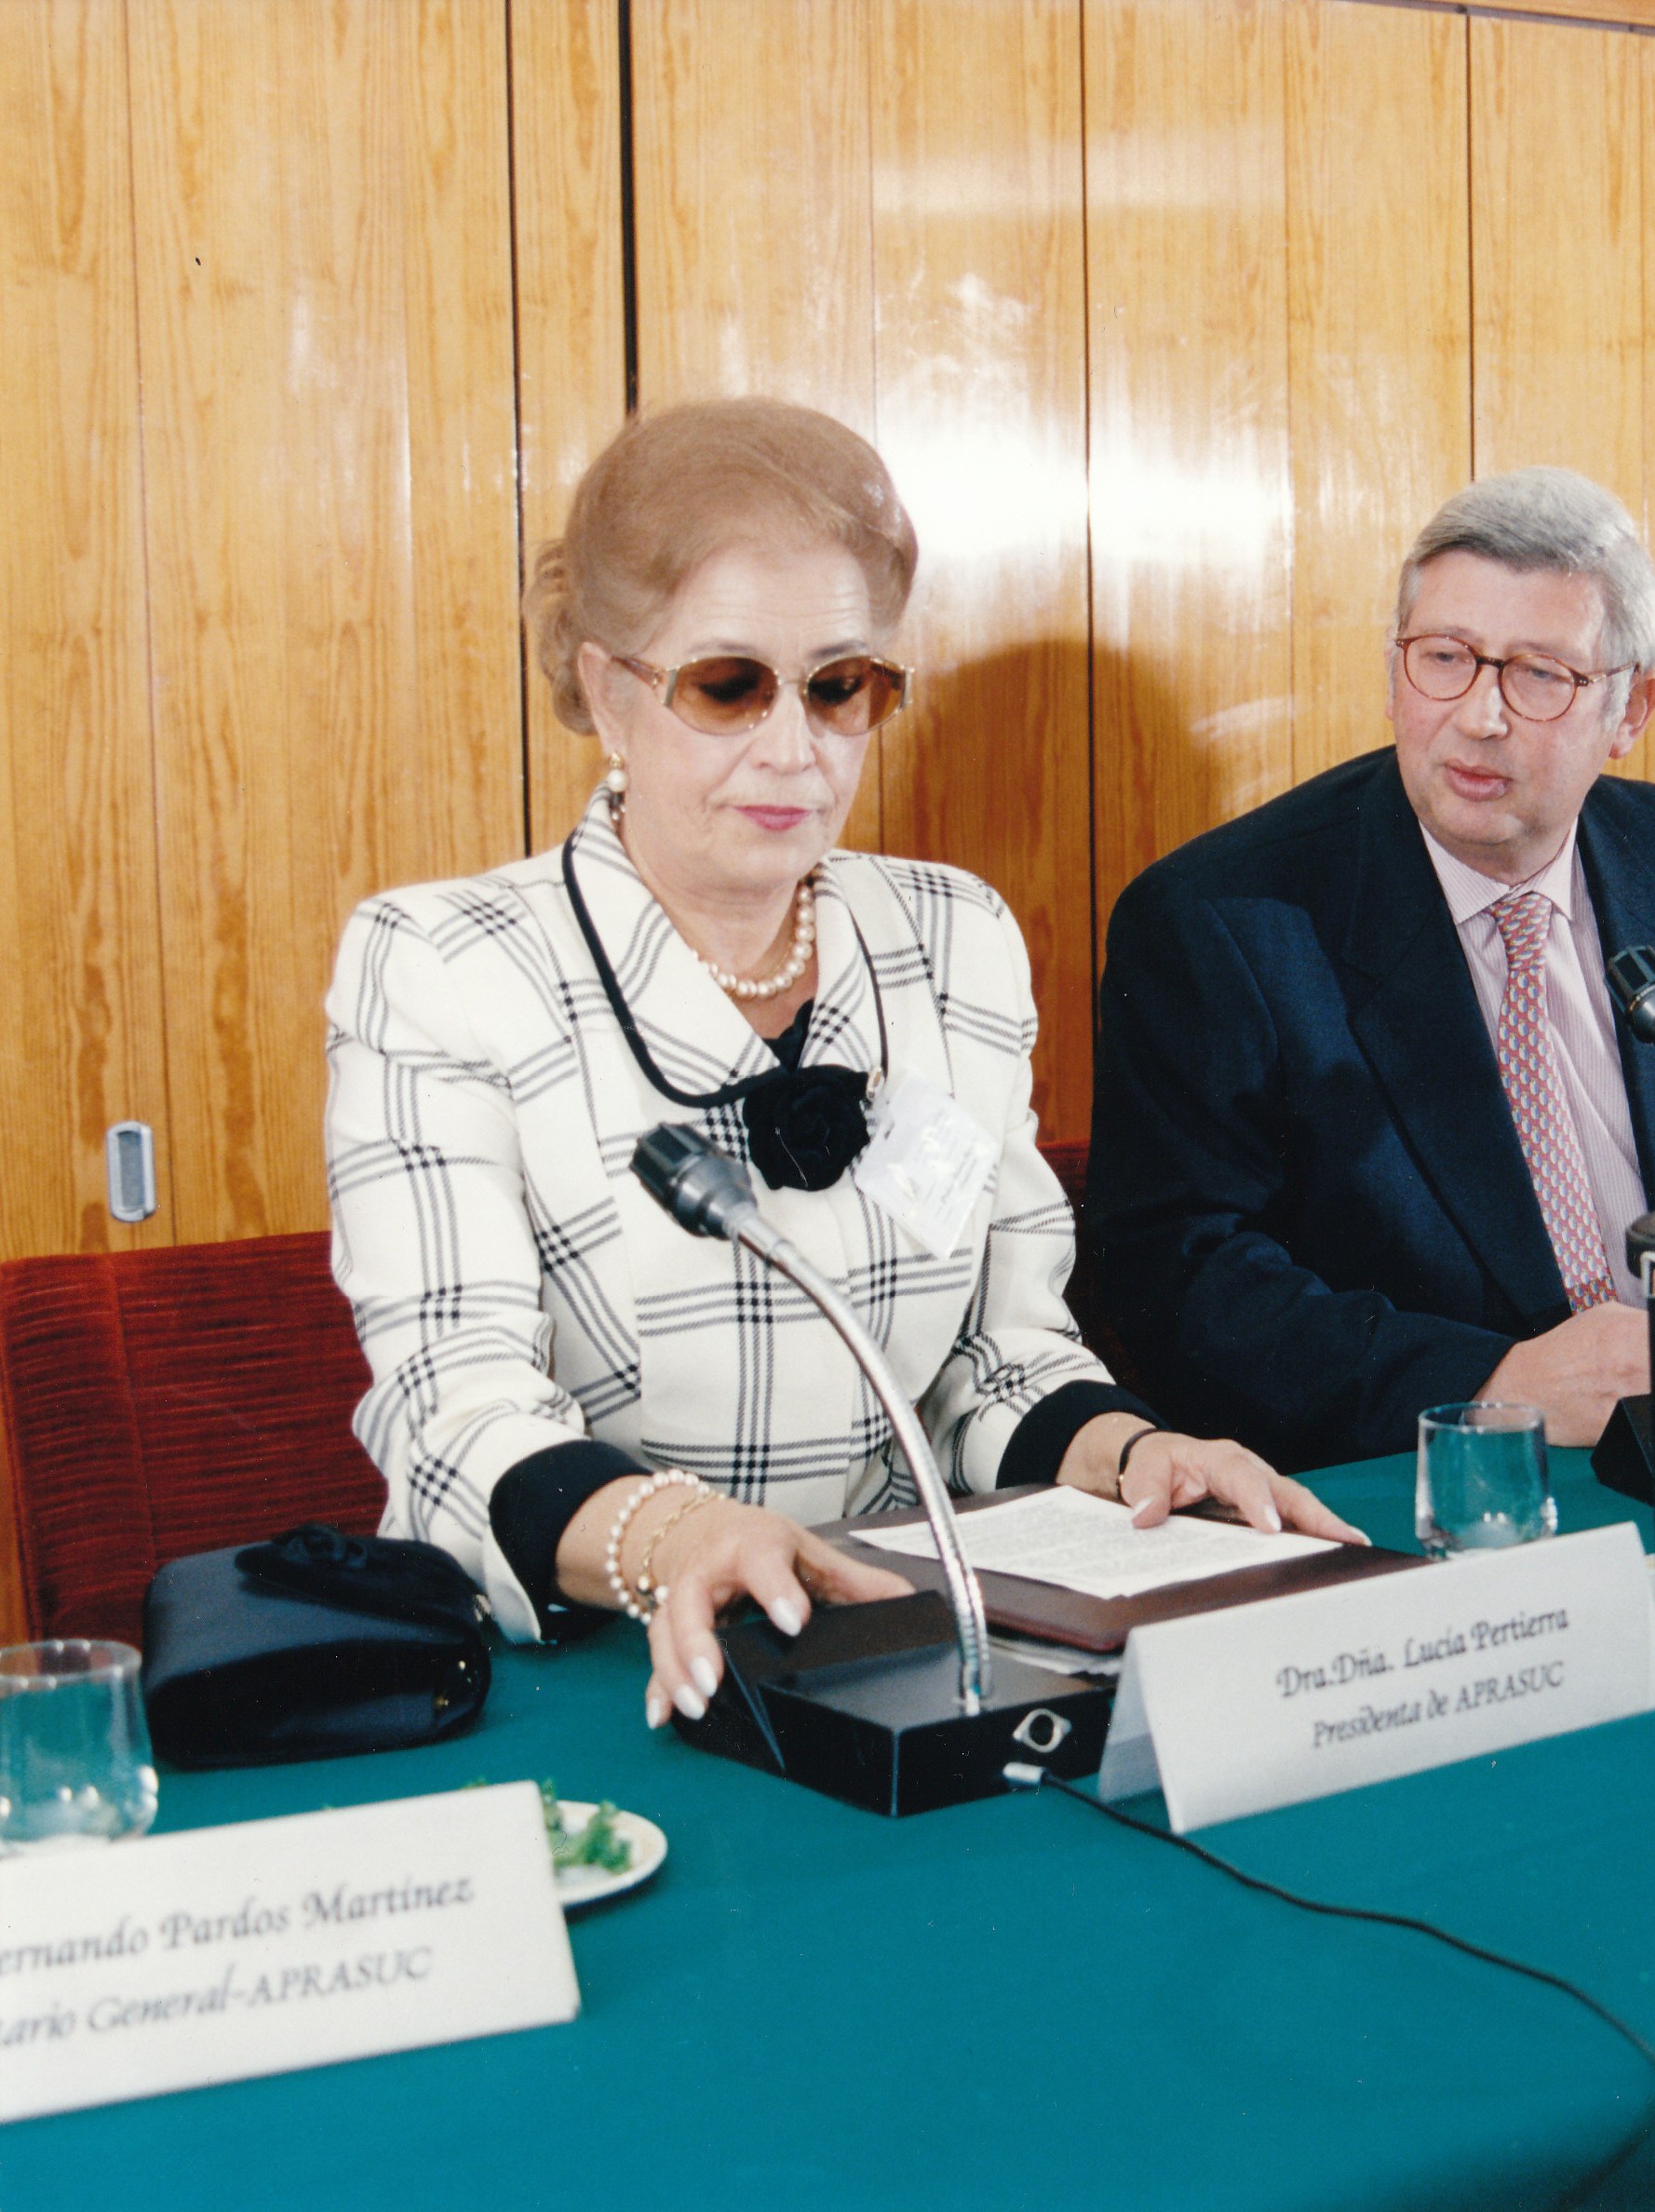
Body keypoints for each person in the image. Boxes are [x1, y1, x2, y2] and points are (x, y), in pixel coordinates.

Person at [326, 398, 1358, 1732]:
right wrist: (675, 1539)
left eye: (838, 686)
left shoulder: (955, 937)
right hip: (603, 1664)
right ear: (603, 688)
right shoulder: (443, 964)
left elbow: (1000, 1354)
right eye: (727, 684)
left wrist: (1139, 1454)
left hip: (911, 1651)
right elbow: (453, 1415)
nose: (793, 748)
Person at [1087, 467, 1655, 1470]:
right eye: (1444, 658)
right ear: (1392, 668)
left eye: (1540, 675)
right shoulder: (1222, 921)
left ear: (1631, 711)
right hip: (1425, 1472)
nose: (1479, 716)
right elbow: (1180, 1281)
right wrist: (1491, 1385)